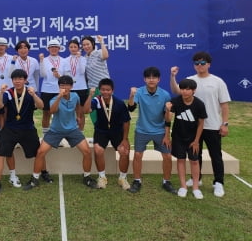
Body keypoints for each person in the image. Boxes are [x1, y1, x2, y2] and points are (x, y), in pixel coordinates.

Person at [170, 51, 231, 197]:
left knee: (215, 154)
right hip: (193, 127)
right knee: (195, 155)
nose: (199, 65)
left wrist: (225, 124)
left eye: (202, 63)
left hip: (212, 125)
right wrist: (173, 76)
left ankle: (218, 182)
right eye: (197, 63)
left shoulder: (217, 82)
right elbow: (176, 90)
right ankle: (198, 179)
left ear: (209, 64)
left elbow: (224, 105)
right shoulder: (190, 81)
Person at [23, 75, 98, 190]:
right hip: (55, 131)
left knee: (87, 151)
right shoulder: (54, 99)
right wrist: (59, 96)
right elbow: (53, 110)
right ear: (59, 87)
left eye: (67, 85)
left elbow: (78, 107)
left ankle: (87, 177)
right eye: (62, 85)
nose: (64, 87)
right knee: (40, 152)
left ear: (71, 86)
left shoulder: (75, 96)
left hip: (72, 130)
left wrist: (78, 116)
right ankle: (35, 179)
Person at [0, 69, 51, 197]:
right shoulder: (9, 93)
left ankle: (43, 172)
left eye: (20, 79)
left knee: (38, 152)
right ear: (12, 80)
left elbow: (41, 106)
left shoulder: (30, 92)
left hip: (27, 128)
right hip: (10, 128)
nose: (17, 81)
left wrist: (34, 95)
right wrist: (0, 92)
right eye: (15, 79)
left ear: (25, 80)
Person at [127, 66, 176, 194]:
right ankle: (137, 180)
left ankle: (166, 181)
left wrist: (167, 135)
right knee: (137, 155)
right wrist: (131, 96)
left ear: (159, 79)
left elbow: (167, 118)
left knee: (167, 156)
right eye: (148, 77)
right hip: (142, 129)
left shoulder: (165, 94)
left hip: (160, 131)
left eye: (154, 77)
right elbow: (131, 108)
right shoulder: (139, 92)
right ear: (144, 79)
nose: (151, 80)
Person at [84, 78, 131, 190]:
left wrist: (125, 139)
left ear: (112, 90)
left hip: (117, 132)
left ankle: (123, 178)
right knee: (98, 150)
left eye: (108, 90)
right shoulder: (96, 100)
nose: (105, 92)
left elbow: (126, 122)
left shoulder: (119, 103)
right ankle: (102, 177)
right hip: (101, 131)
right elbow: (86, 110)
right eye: (103, 90)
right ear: (99, 90)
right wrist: (90, 96)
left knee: (124, 151)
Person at [165, 78, 207, 199]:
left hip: (193, 139)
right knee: (181, 160)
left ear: (194, 90)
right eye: (182, 89)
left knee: (194, 161)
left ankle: (195, 187)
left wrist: (196, 141)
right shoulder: (175, 101)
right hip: (178, 137)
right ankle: (183, 186)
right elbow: (168, 120)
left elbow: (201, 124)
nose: (185, 91)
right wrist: (168, 110)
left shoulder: (199, 104)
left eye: (188, 89)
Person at [39, 38, 67, 136]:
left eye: (56, 47)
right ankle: (46, 136)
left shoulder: (64, 61)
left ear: (59, 48)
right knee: (46, 114)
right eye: (51, 47)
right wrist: (41, 61)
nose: (53, 49)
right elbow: (42, 75)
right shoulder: (44, 60)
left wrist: (59, 76)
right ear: (48, 49)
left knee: (59, 114)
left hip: (60, 90)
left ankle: (57, 136)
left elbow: (67, 76)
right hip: (47, 90)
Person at [64, 39, 88, 131]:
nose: (73, 49)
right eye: (71, 47)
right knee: (69, 112)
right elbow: (65, 75)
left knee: (80, 112)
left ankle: (80, 133)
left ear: (78, 48)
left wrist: (78, 59)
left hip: (81, 87)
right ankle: (70, 132)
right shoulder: (65, 60)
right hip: (70, 88)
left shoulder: (83, 59)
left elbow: (82, 71)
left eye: (75, 47)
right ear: (68, 48)